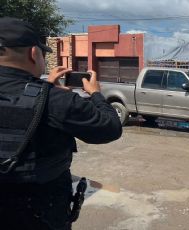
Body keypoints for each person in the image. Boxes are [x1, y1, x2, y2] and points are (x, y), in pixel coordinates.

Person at [0, 17, 122, 229]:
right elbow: (110, 127)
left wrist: (46, 87)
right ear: (33, 53)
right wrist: (95, 94)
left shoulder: (51, 97)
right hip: (39, 215)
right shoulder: (56, 101)